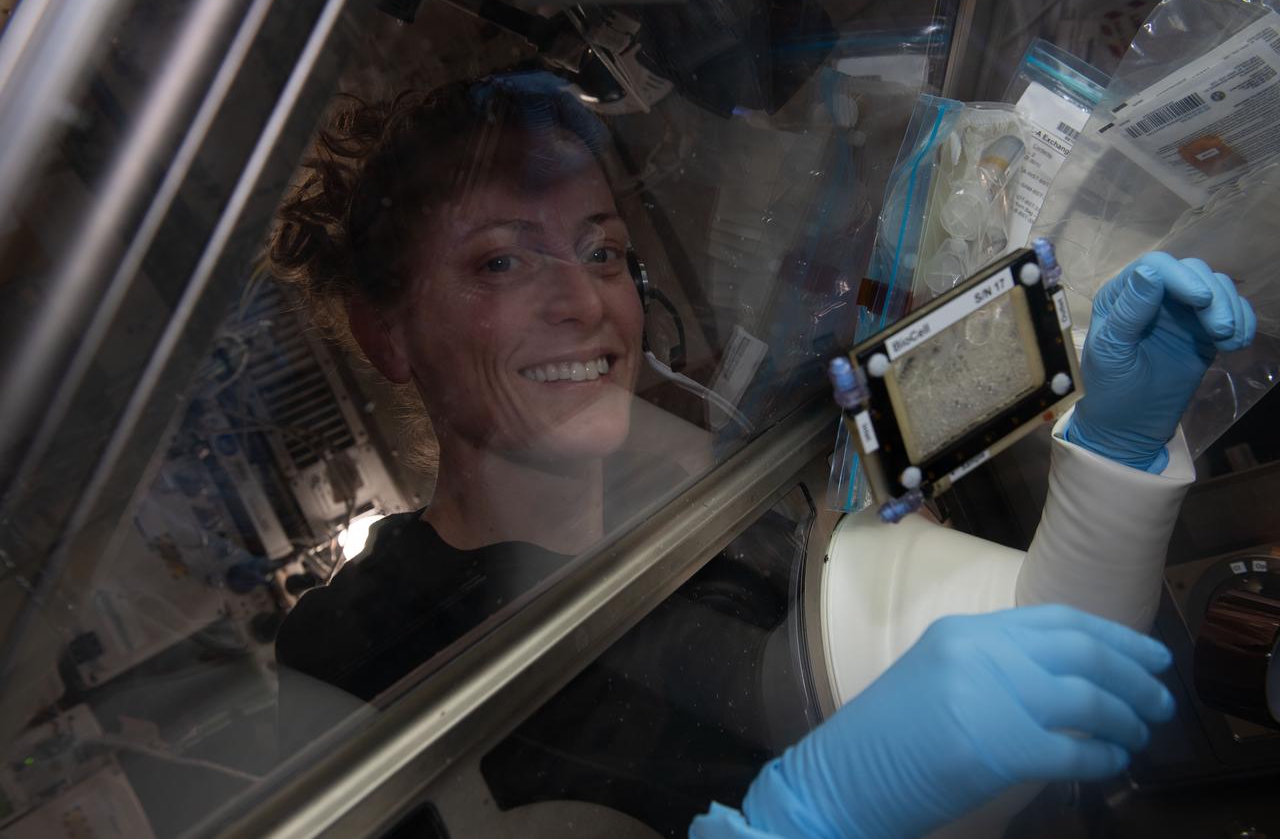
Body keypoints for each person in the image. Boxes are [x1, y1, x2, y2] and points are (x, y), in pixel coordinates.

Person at [267, 72, 1255, 837]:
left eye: (601, 250)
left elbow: (1068, 685)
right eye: (500, 261)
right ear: (385, 335)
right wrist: (796, 820)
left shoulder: (723, 505)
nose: (582, 303)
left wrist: (1115, 460)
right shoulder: (366, 654)